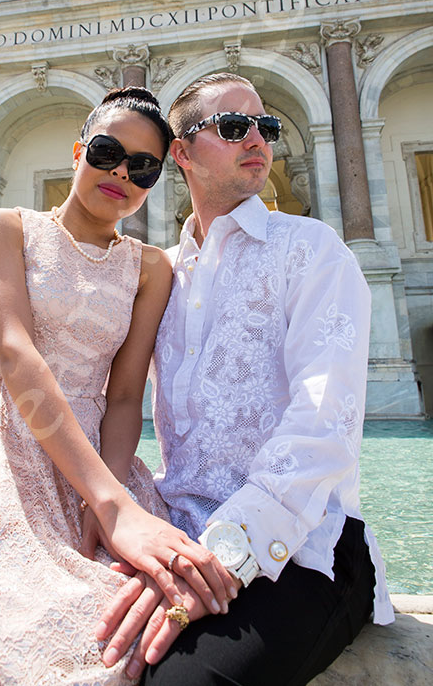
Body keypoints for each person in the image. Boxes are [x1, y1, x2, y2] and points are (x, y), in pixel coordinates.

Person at [0, 86, 234, 686]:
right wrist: (109, 501)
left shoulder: (151, 268)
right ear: (79, 150)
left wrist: (105, 502)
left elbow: (127, 394)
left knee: (142, 620)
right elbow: (14, 353)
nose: (121, 174)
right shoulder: (5, 227)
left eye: (143, 168)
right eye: (108, 151)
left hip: (100, 463)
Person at [93, 72, 395, 685]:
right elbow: (91, 390)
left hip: (306, 550)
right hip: (180, 535)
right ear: (181, 153)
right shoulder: (160, 277)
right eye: (233, 127)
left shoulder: (314, 250)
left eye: (267, 127)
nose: (257, 138)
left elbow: (323, 428)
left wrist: (224, 559)